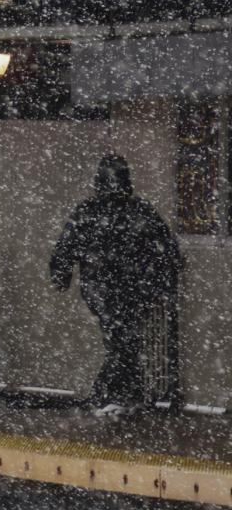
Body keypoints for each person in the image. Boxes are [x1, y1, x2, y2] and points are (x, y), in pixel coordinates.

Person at [49, 154, 183, 415]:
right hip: (132, 286)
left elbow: (66, 247)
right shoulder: (139, 210)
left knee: (121, 340)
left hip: (101, 285)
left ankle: (114, 396)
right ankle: (116, 395)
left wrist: (61, 275)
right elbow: (166, 249)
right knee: (124, 340)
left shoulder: (88, 211)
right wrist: (161, 281)